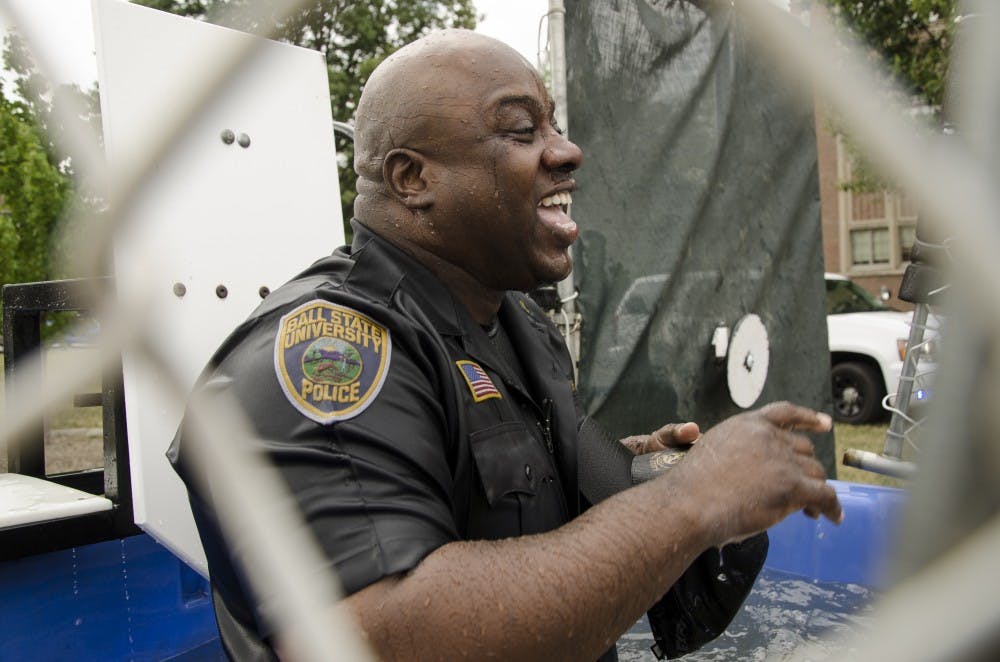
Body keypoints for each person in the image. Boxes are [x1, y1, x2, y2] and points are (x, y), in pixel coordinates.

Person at [168, 29, 842, 661]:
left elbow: (515, 502)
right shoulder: (328, 352)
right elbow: (377, 633)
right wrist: (690, 501)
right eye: (522, 129)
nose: (566, 151)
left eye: (554, 124)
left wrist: (646, 473)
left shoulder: (520, 327)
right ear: (413, 179)